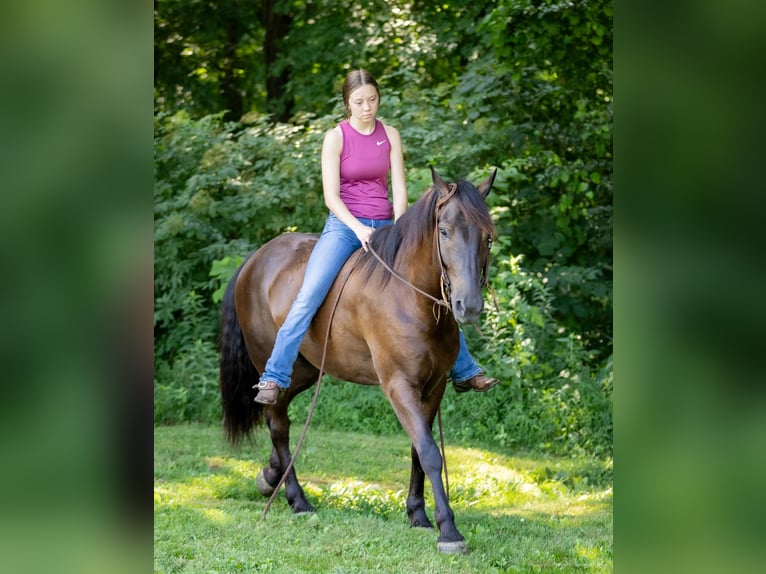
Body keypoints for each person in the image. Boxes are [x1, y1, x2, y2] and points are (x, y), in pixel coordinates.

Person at [254, 69, 498, 405]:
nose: (366, 107)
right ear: (347, 104)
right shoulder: (336, 138)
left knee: (433, 289)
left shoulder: (390, 135)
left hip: (385, 225)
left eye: (372, 100)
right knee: (309, 295)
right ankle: (275, 375)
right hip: (344, 228)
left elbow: (398, 186)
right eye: (359, 102)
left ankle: (464, 368)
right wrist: (356, 228)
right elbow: (331, 196)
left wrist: (400, 228)